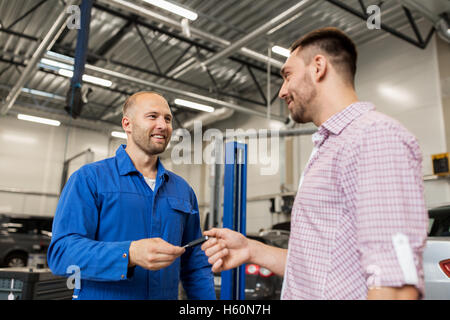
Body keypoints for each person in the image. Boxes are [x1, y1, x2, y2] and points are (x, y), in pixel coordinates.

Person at [202, 27, 428, 300]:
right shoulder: (330, 146)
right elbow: (320, 269)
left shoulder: (374, 136)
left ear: (318, 67)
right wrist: (251, 249)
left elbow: (396, 287)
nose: (282, 91)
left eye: (287, 75)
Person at [48, 91, 215, 300]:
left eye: (168, 119)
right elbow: (62, 254)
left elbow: (195, 265)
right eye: (153, 116)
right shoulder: (89, 179)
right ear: (127, 124)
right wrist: (129, 254)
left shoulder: (183, 190)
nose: (163, 125)